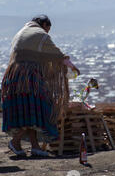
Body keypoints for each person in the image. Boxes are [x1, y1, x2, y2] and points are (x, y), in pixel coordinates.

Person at [1, 15, 80, 157]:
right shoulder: (40, 34)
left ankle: (35, 146)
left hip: (14, 77)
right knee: (37, 109)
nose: (48, 33)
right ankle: (15, 140)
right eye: (48, 29)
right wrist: (71, 65)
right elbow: (57, 54)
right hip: (29, 77)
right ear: (44, 24)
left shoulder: (22, 32)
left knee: (29, 109)